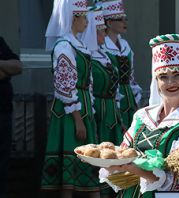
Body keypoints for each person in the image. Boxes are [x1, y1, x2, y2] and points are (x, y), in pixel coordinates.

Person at [99, 34, 179, 198]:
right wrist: (108, 162)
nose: (170, 83)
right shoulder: (142, 116)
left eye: (177, 75)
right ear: (157, 81)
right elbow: (122, 154)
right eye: (163, 77)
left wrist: (136, 170)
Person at [40, 0, 100, 197]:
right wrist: (78, 119)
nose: (87, 22)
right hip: (69, 112)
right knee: (69, 165)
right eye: (83, 17)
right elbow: (65, 86)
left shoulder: (79, 45)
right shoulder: (64, 46)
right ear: (74, 18)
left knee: (88, 164)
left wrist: (87, 112)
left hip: (81, 107)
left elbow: (86, 82)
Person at [81, 6, 124, 145]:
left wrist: (118, 114)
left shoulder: (104, 56)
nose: (105, 35)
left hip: (111, 111)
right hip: (98, 110)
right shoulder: (88, 58)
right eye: (102, 31)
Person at [100, 0, 142, 129]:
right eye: (120, 19)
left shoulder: (125, 45)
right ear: (109, 23)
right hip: (111, 97)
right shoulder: (102, 46)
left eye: (126, 19)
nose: (125, 23)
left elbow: (131, 76)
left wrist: (136, 99)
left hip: (128, 96)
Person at [0, 37, 23, 198]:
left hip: (3, 114)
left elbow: (17, 66)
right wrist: (4, 67)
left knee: (2, 162)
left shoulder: (0, 42)